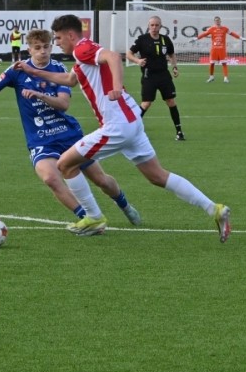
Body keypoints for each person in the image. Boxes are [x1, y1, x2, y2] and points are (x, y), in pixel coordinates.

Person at [14, 14, 232, 242]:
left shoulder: (81, 48)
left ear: (70, 35)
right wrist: (33, 71)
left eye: (58, 38)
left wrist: (117, 86)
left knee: (65, 164)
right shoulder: (83, 57)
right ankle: (214, 209)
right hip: (132, 121)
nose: (57, 43)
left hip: (117, 125)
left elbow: (113, 57)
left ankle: (94, 217)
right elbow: (70, 80)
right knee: (157, 176)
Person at [0, 29, 141, 234]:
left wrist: (39, 95)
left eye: (46, 47)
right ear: (29, 50)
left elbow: (64, 104)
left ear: (51, 47)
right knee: (50, 178)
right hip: (40, 140)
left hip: (68, 134)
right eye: (37, 48)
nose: (42, 51)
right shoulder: (16, 70)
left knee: (100, 180)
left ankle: (124, 205)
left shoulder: (58, 69)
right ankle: (88, 218)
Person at [126, 15, 186, 141]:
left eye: (156, 25)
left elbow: (171, 54)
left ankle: (179, 131)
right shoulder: (142, 39)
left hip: (164, 75)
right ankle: (130, 130)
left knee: (171, 101)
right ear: (149, 26)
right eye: (152, 25)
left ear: (160, 26)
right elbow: (129, 54)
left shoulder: (165, 39)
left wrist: (175, 67)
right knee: (146, 103)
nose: (154, 27)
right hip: (149, 76)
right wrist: (137, 61)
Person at [195, 15, 242, 82]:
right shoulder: (211, 29)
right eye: (216, 20)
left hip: (222, 49)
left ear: (220, 21)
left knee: (224, 63)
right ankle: (211, 77)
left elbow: (232, 33)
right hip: (214, 49)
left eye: (218, 20)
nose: (217, 21)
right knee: (212, 63)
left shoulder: (225, 28)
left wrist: (240, 38)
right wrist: (196, 38)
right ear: (214, 21)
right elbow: (204, 34)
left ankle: (225, 78)